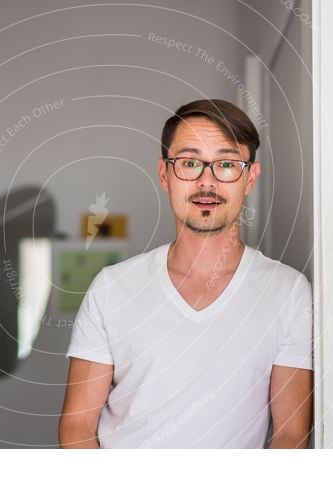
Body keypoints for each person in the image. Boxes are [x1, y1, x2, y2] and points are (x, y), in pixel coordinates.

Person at [58, 99, 313, 449]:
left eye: (226, 164)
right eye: (190, 163)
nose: (206, 182)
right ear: (164, 174)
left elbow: (292, 434)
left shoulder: (288, 292)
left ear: (250, 177)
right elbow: (77, 427)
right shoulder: (112, 289)